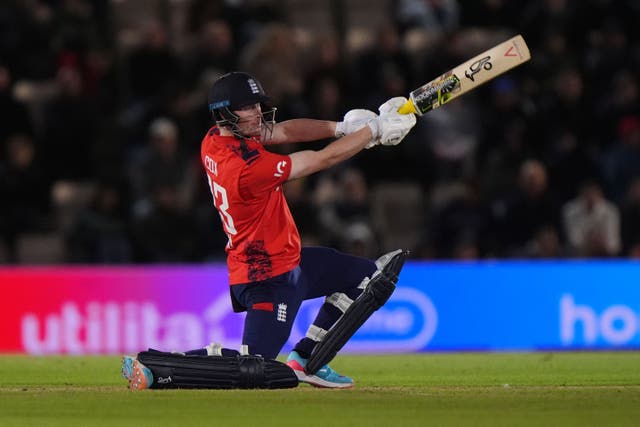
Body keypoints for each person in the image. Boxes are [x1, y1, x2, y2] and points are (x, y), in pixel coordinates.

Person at [122, 71, 416, 390]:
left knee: (368, 279)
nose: (258, 112)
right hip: (266, 278)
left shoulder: (215, 139)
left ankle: (307, 360)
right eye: (248, 107)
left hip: (290, 261)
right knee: (256, 366)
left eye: (257, 104)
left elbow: (284, 130)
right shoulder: (246, 170)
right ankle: (159, 367)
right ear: (225, 113)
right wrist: (373, 131)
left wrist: (341, 127)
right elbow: (321, 160)